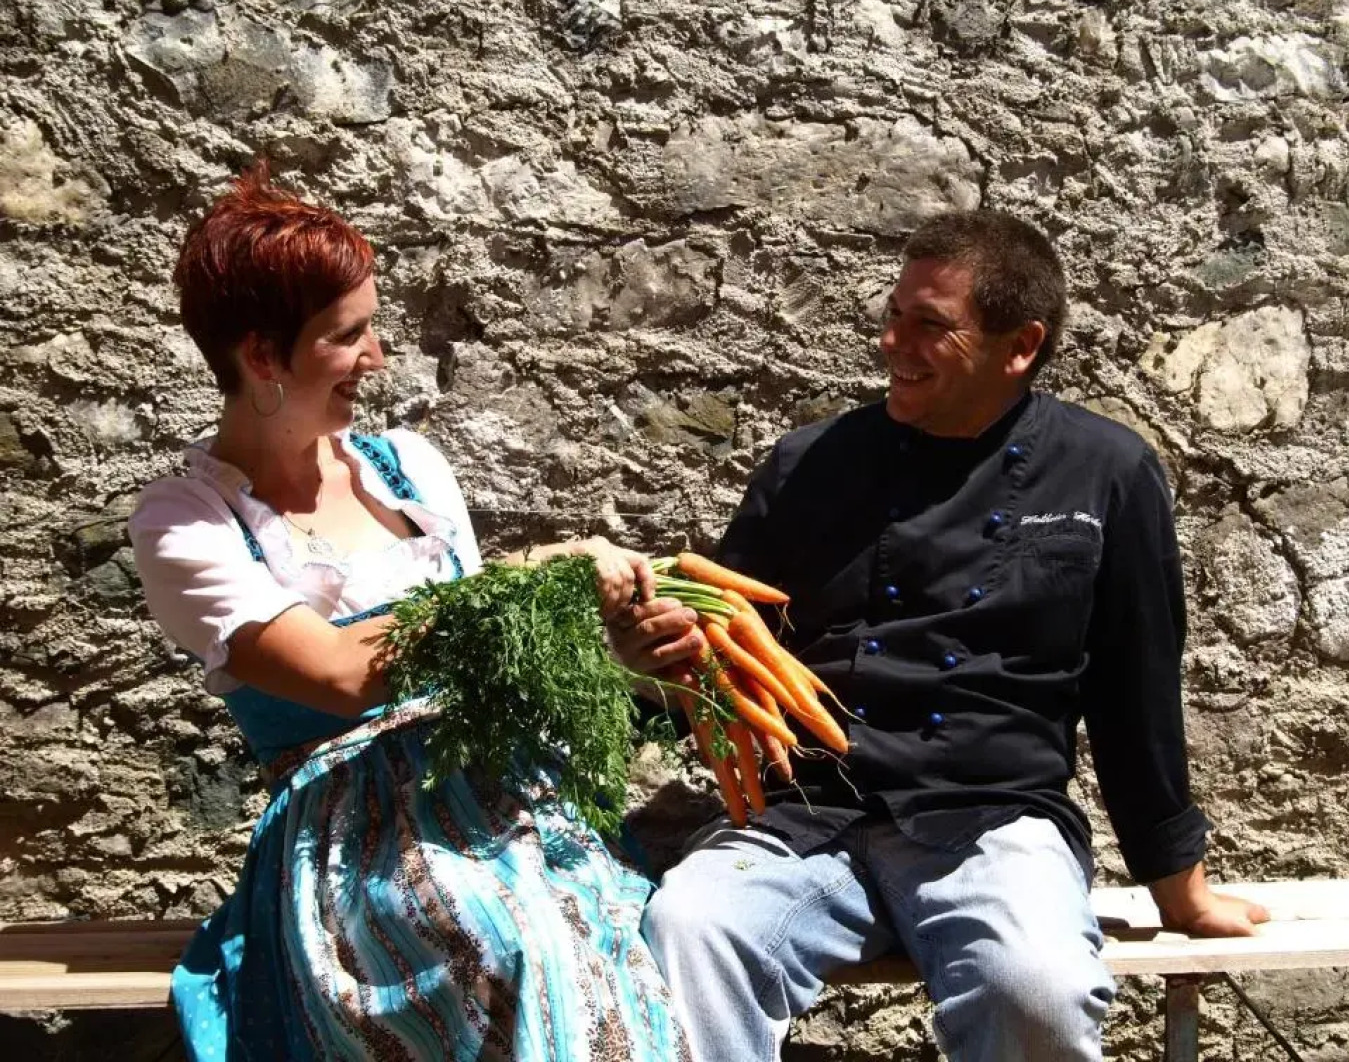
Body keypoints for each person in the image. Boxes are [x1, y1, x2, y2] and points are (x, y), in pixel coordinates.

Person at [630, 209, 1271, 1061]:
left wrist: (1178, 888)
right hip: (808, 817)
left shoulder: (1107, 470)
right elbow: (717, 664)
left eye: (930, 325)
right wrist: (660, 668)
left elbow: (1135, 689)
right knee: (687, 930)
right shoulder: (807, 465)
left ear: (1021, 345)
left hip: (996, 825)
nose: (894, 342)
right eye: (893, 314)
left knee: (1038, 991)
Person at [128, 165, 698, 1061]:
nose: (379, 357)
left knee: (622, 936)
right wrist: (534, 573)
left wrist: (623, 648)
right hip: (357, 827)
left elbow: (494, 662)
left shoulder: (409, 468)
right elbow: (342, 675)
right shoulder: (187, 521)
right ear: (262, 357)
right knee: (500, 945)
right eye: (348, 337)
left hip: (505, 789)